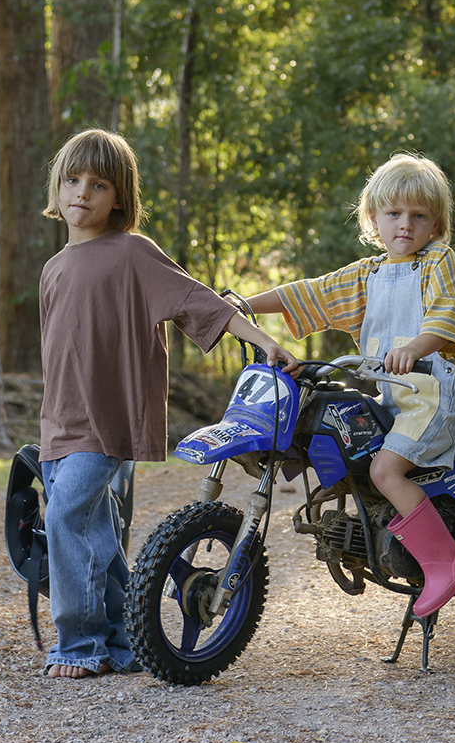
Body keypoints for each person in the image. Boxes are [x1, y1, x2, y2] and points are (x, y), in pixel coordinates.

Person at [38, 127, 297, 679]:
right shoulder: (53, 269)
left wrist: (265, 341)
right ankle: (124, 641)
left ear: (120, 199)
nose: (82, 191)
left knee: (65, 519)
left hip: (105, 423)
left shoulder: (132, 253)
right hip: (59, 423)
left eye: (99, 183)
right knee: (97, 535)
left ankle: (77, 645)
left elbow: (197, 301)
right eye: (72, 179)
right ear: (57, 190)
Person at [244, 152, 455, 617]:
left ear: (436, 225)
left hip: (442, 394)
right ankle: (385, 537)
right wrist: (238, 306)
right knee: (354, 445)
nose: (405, 226)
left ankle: (445, 561)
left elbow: (450, 313)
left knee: (384, 471)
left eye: (419, 216)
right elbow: (308, 292)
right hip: (401, 398)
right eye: (394, 214)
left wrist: (415, 346)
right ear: (374, 220)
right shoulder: (367, 275)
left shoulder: (438, 262)